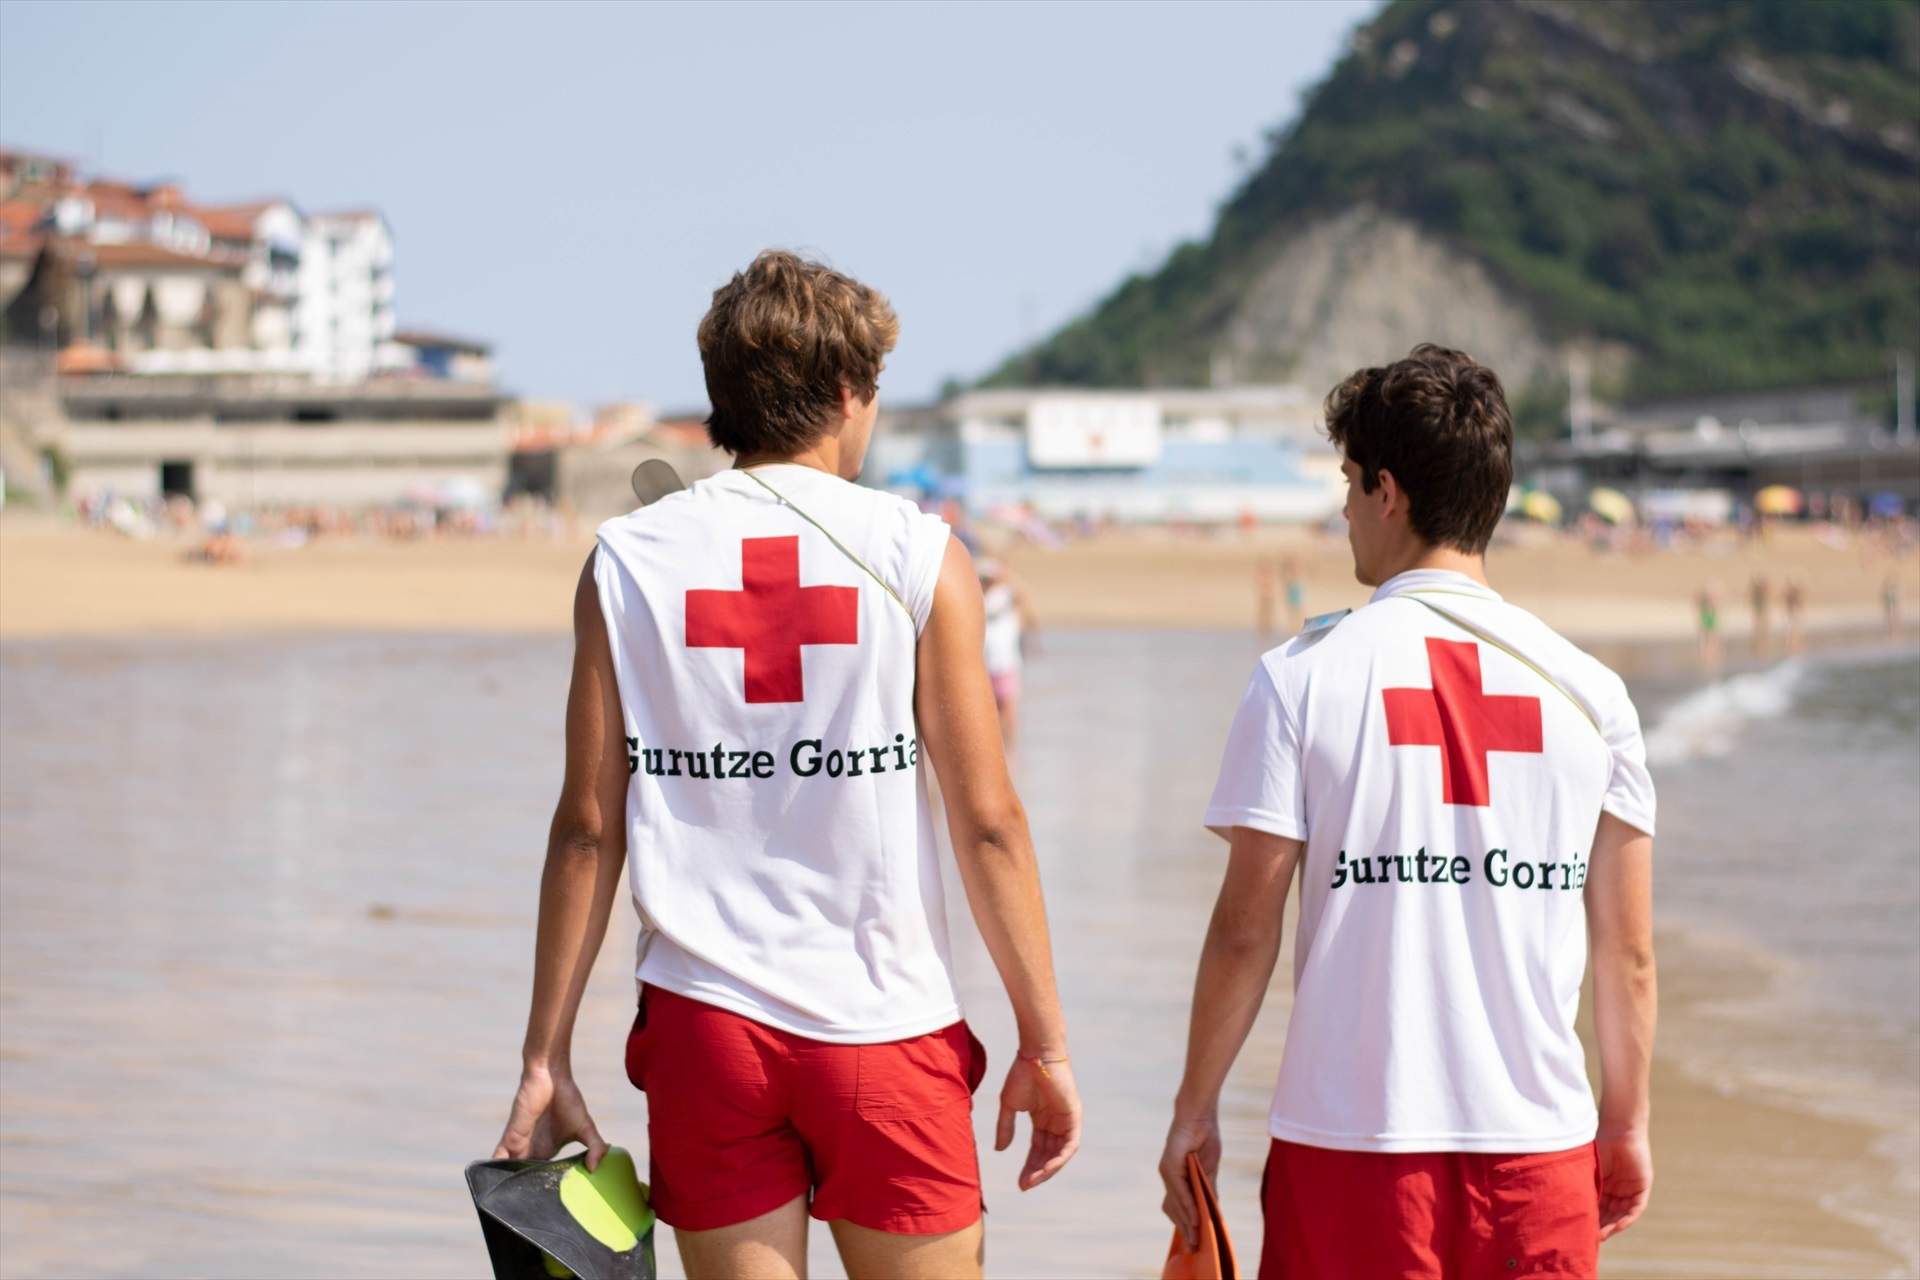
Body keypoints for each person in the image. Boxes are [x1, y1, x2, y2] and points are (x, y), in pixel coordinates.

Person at [492, 250, 1081, 1280]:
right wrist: (1045, 1041)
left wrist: (545, 1053)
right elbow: (987, 819)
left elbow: (589, 824)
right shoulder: (915, 552)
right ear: (850, 394)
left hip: (705, 1030)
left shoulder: (627, 558)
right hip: (884, 1022)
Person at [1159, 345, 1657, 1280]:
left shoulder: (1301, 679)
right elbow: (1627, 952)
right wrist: (1625, 1124)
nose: (1343, 510)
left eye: (1349, 483)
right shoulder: (1595, 697)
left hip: (1350, 1144)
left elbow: (1244, 931)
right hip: (1539, 1151)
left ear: (1387, 491)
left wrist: (1195, 1108)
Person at [979, 557, 1034, 752]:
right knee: (991, 712)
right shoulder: (978, 598)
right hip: (984, 664)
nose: (987, 582)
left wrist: (1007, 576)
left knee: (1009, 710)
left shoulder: (1007, 595)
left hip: (1006, 663)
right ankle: (999, 749)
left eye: (990, 578)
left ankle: (1010, 750)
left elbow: (1023, 595)